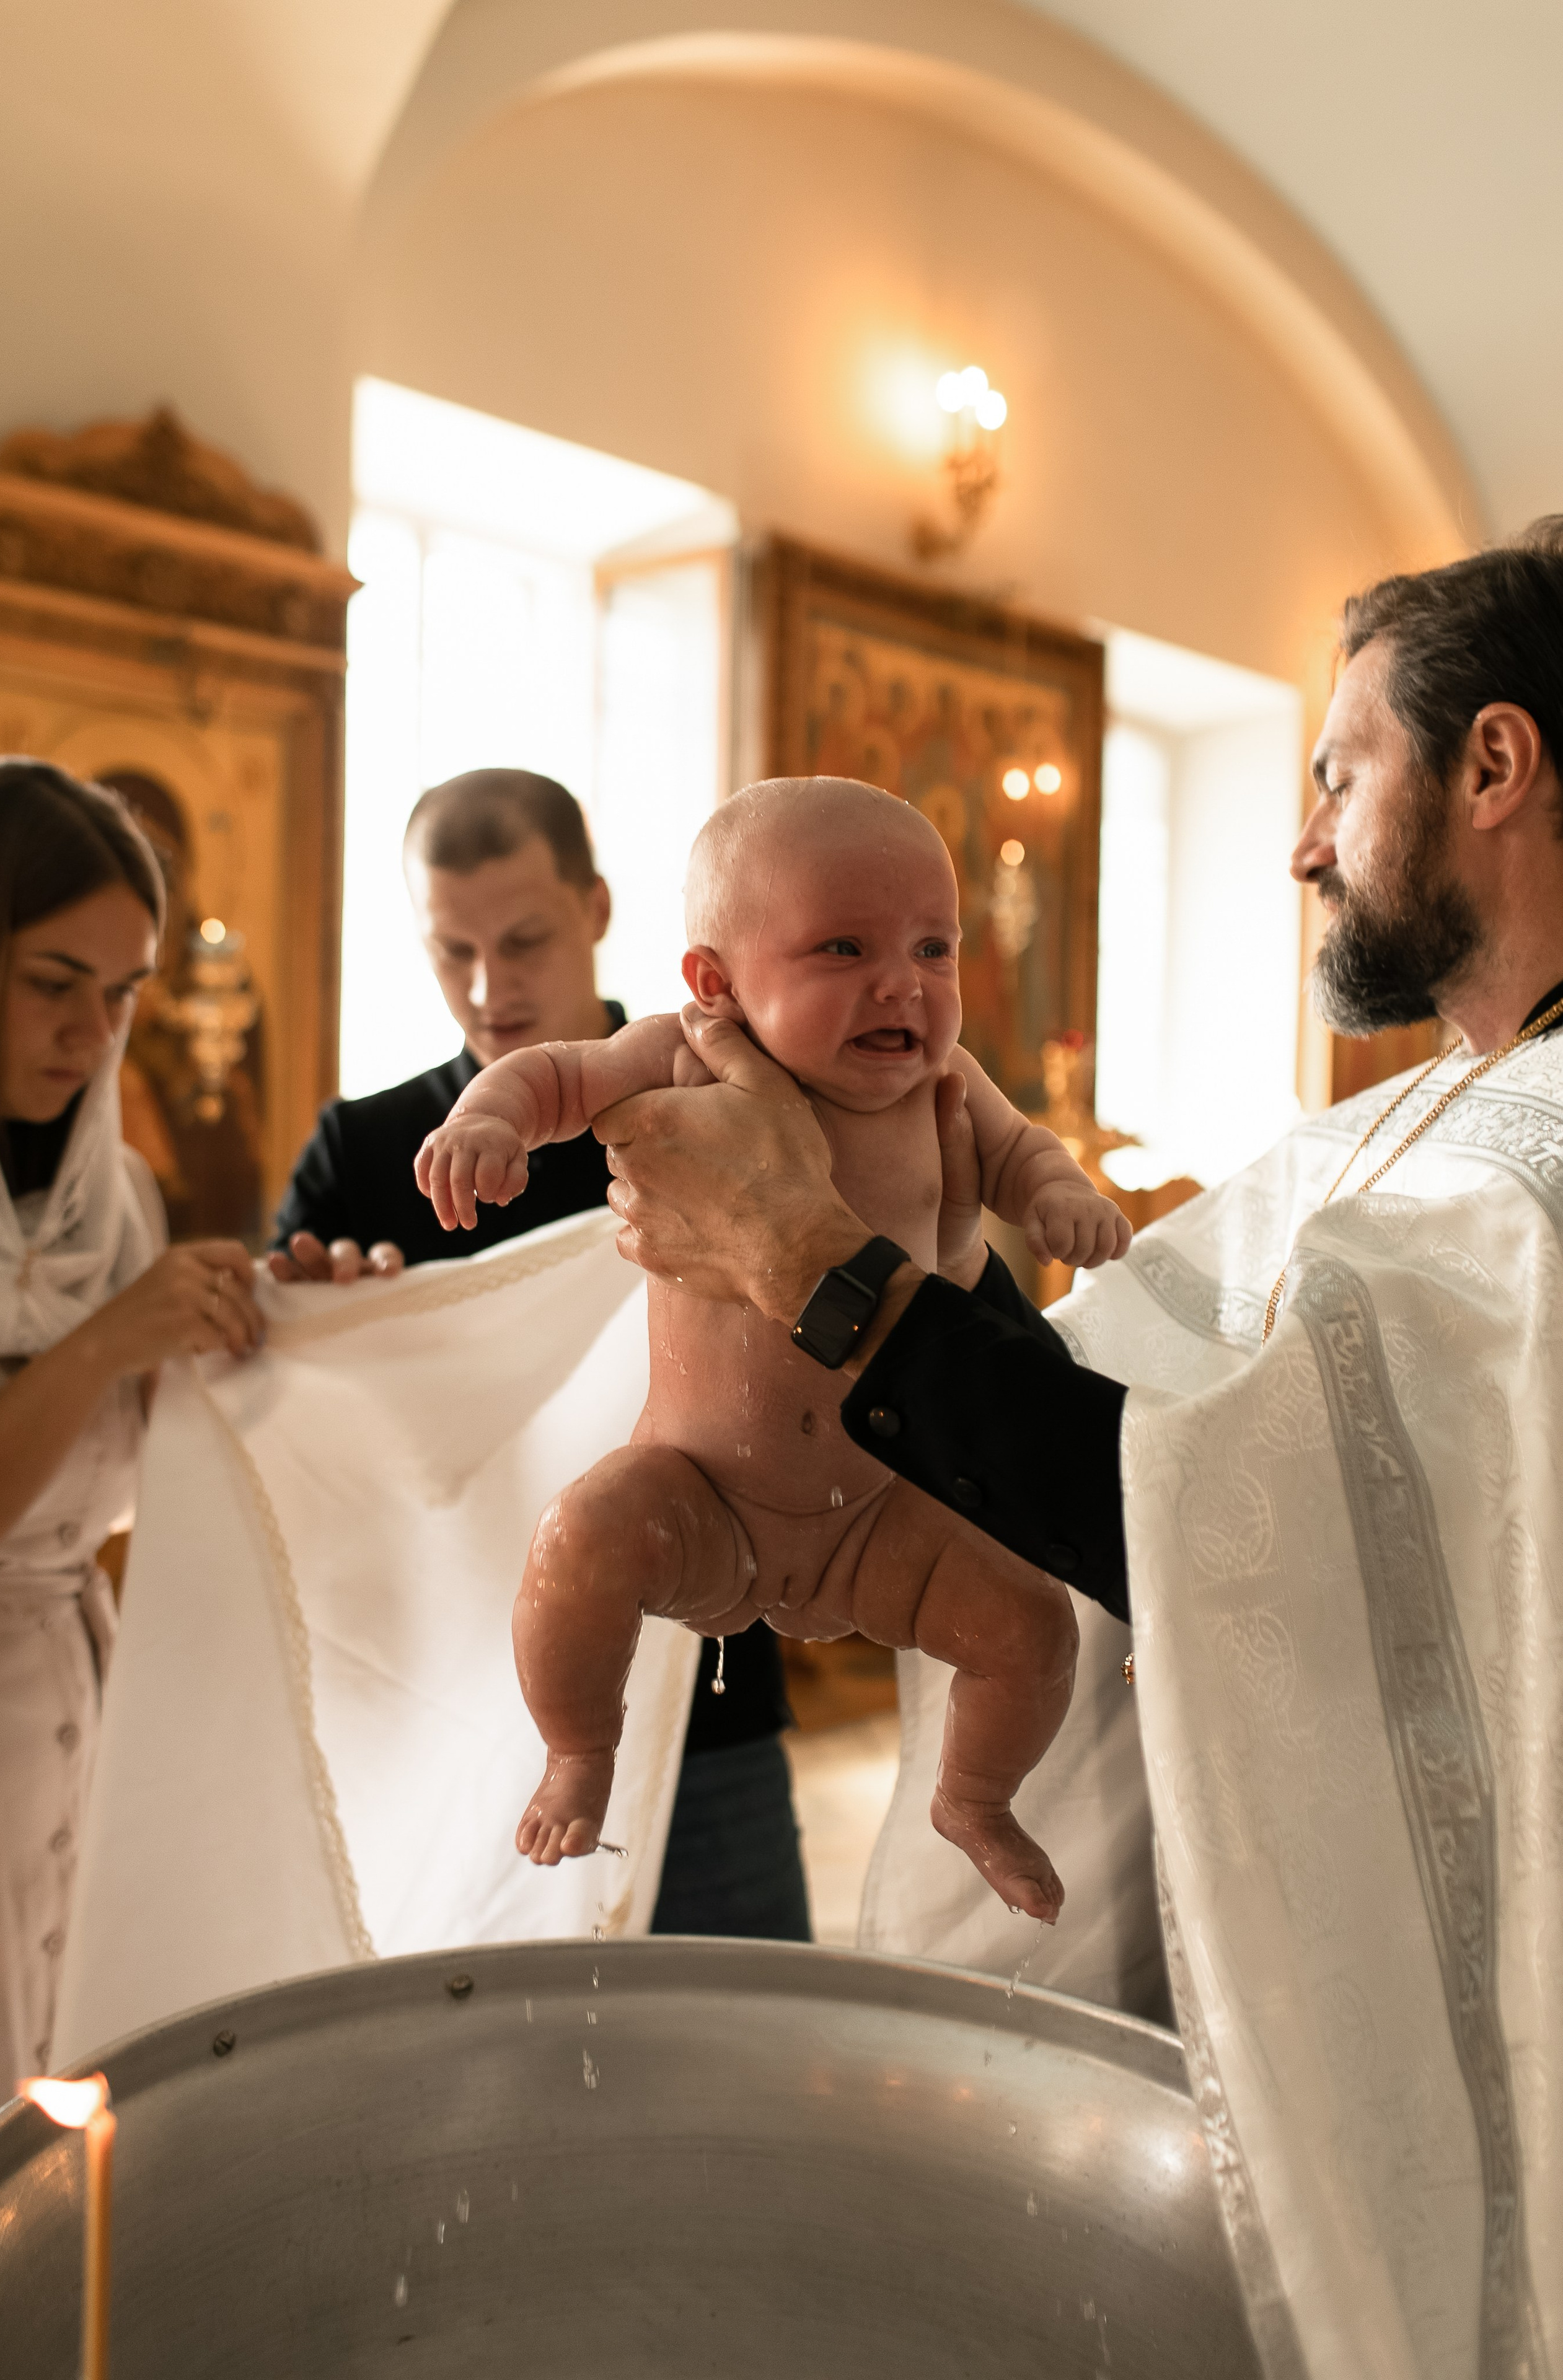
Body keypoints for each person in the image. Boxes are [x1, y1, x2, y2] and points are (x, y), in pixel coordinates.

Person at [591, 526, 1563, 2370]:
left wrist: (813, 1258)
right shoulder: (1443, 1108)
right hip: (1136, 1958)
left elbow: (1258, 1541)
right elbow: (1097, 1412)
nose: (1301, 845)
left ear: (1495, 767)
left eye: (1338, 774)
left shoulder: (1538, 1164)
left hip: (1281, 2018)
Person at [416, 778, 1129, 1914]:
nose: (903, 983)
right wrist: (488, 1121)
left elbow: (1023, 1153)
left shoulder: (946, 1085)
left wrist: (1059, 1198)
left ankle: (975, 1794)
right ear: (716, 983)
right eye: (844, 947)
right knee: (578, 1545)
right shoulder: (684, 1056)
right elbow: (557, 1073)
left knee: (1031, 1625)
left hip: (885, 1510)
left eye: (934, 948)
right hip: (701, 1494)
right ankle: (579, 1751)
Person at [270, 767, 810, 1941]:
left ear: (599, 907)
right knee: (503, 2092)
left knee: (752, 2062)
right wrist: (326, 1320)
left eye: (521, 941)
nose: (486, 987)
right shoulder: (364, 1153)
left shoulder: (710, 1098)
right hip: (466, 1714)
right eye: (448, 951)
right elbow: (284, 1399)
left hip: (704, 1685)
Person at [0, 758, 262, 2120]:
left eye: (125, 992)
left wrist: (279, 1331)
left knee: (71, 2112)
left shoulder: (123, 1192)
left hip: (86, 1697)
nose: (95, 1031)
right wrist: (108, 1341)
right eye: (52, 981)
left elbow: (148, 1469)